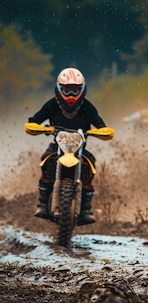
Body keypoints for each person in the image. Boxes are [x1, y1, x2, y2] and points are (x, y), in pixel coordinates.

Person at [27, 67, 109, 224]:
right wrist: (39, 127)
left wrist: (102, 131)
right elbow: (33, 121)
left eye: (75, 90)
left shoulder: (87, 107)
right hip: (57, 146)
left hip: (80, 149)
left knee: (90, 163)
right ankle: (43, 203)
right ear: (59, 88)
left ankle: (86, 208)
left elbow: (101, 124)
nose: (71, 95)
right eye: (67, 90)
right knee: (46, 159)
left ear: (81, 89)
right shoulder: (52, 105)